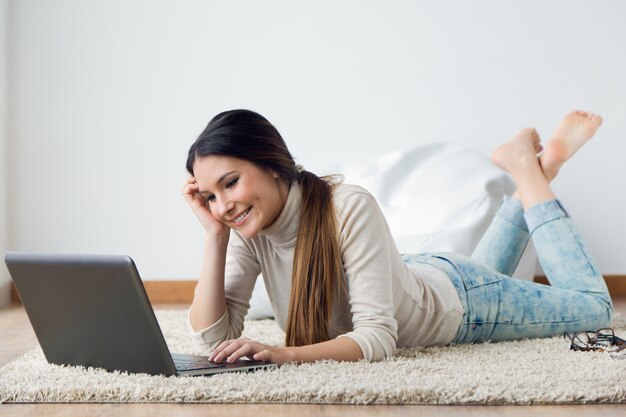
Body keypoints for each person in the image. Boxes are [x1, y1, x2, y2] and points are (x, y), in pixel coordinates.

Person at [181, 109, 613, 364]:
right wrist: (214, 237)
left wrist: (286, 355)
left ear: (272, 163)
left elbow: (377, 338)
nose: (223, 206)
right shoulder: (243, 227)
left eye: (231, 183)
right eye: (210, 196)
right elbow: (212, 341)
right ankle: (534, 169)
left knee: (594, 308)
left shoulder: (347, 206)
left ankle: (528, 170)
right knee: (489, 272)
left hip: (463, 305)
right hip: (425, 276)